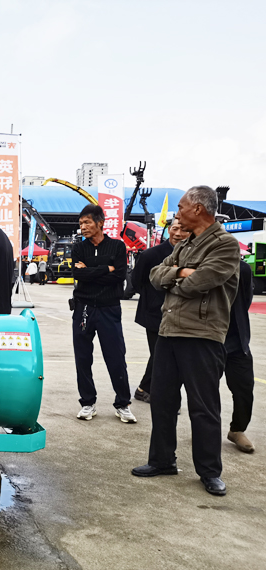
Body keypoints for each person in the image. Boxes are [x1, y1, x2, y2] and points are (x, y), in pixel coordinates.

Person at [132, 186, 240, 497]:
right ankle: (162, 460)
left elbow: (199, 284)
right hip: (169, 331)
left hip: (202, 335)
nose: (177, 213)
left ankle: (209, 471)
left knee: (203, 406)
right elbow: (155, 275)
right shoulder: (186, 244)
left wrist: (175, 279)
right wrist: (180, 271)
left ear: (198, 209)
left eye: (181, 207)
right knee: (162, 401)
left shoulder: (225, 245)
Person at [70, 204, 135, 424]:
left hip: (109, 308)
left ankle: (123, 404)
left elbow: (119, 276)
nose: (83, 227)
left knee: (116, 356)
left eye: (87, 222)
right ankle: (87, 402)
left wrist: (90, 270)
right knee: (82, 357)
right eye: (81, 223)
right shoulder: (79, 248)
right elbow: (78, 275)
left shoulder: (117, 246)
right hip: (83, 308)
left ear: (100, 223)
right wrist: (106, 268)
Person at [131, 218, 188, 403]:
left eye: (183, 229)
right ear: (168, 230)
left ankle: (144, 388)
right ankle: (159, 395)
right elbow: (137, 282)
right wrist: (154, 298)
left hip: (181, 314)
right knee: (160, 355)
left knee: (166, 356)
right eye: (174, 228)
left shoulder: (192, 255)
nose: (178, 233)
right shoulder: (151, 255)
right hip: (155, 313)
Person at [224, 260, 255, 453]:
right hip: (208, 338)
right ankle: (205, 430)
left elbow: (246, 299)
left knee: (244, 387)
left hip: (236, 339)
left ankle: (237, 429)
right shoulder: (201, 263)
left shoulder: (242, 268)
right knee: (205, 391)